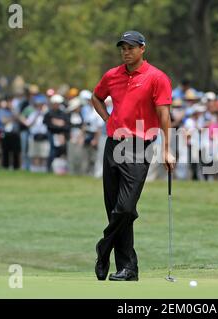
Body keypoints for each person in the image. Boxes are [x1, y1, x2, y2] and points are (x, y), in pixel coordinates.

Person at [92, 31, 176, 281]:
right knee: (113, 207)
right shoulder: (112, 75)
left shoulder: (156, 77)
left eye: (131, 47)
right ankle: (128, 269)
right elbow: (96, 97)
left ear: (142, 49)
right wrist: (109, 121)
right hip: (114, 145)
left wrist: (167, 148)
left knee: (126, 207)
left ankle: (103, 247)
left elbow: (163, 115)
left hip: (139, 146)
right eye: (123, 48)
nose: (126, 52)